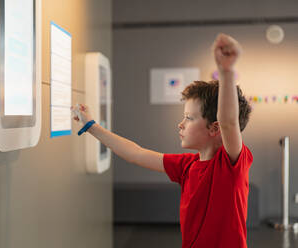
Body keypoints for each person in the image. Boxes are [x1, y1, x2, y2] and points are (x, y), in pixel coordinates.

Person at [71, 33, 253, 248]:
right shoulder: (187, 166)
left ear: (214, 128)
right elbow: (136, 153)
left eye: (189, 118)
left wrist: (226, 72)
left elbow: (229, 123)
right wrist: (92, 126)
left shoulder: (231, 166)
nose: (181, 124)